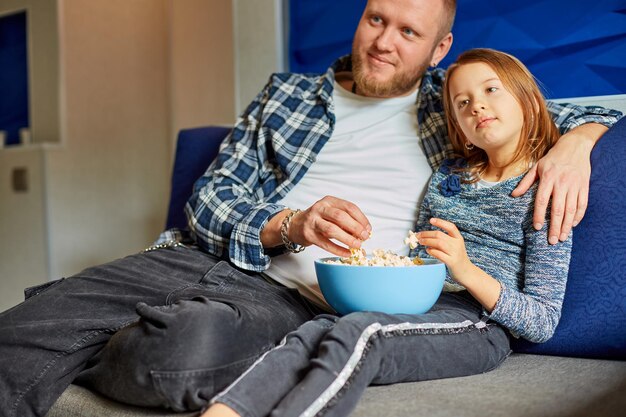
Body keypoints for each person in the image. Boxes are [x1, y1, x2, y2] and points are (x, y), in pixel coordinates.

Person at [0, 0, 621, 416]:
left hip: (292, 297)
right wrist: (289, 224)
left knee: (180, 357)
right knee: (16, 336)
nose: (384, 42)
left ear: (439, 49)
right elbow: (210, 200)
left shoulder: (454, 105)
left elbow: (545, 111)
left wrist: (577, 143)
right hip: (202, 256)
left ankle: (105, 341)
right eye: (378, 19)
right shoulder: (287, 95)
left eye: (409, 32)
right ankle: (83, 323)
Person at [201, 47, 576, 417]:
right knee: (318, 329)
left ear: (529, 101)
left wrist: (465, 269)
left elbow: (541, 321)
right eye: (462, 102)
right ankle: (224, 411)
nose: (476, 105)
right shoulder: (449, 174)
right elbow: (419, 253)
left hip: (480, 323)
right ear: (457, 127)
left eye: (491, 90)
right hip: (418, 302)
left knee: (362, 334)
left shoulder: (545, 191)